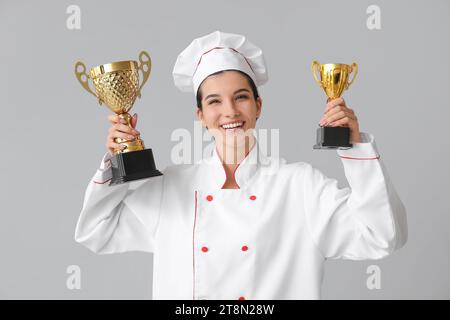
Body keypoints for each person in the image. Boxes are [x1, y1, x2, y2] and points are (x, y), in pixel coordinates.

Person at [75, 31, 408, 300]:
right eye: (214, 101)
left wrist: (356, 147)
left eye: (241, 97)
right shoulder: (171, 186)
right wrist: (118, 162)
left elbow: (381, 236)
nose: (230, 111)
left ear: (258, 105)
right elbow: (95, 231)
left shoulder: (298, 186)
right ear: (200, 115)